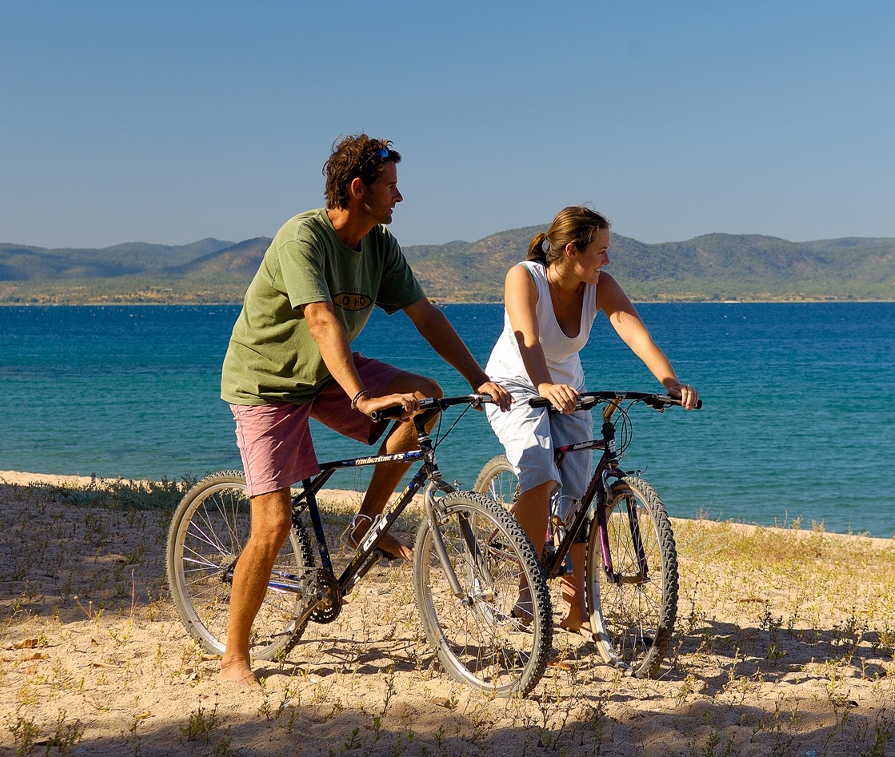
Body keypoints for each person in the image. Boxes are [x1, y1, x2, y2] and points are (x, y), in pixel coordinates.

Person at [218, 134, 511, 686]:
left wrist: (479, 379)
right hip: (267, 384)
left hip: (330, 370)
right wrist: (361, 396)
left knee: (422, 399)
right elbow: (322, 321)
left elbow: (425, 314)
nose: (400, 199)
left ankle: (364, 525)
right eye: (392, 188)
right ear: (358, 190)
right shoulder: (302, 237)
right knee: (274, 524)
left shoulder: (379, 245)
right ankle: (235, 654)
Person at [483, 206, 699, 635]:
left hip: (569, 389)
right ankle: (528, 588)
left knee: (580, 496)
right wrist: (542, 385)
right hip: (515, 385)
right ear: (571, 250)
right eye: (601, 251)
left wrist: (670, 381)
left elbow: (634, 331)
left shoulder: (600, 286)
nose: (607, 260)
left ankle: (576, 608)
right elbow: (526, 338)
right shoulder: (523, 277)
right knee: (541, 472)